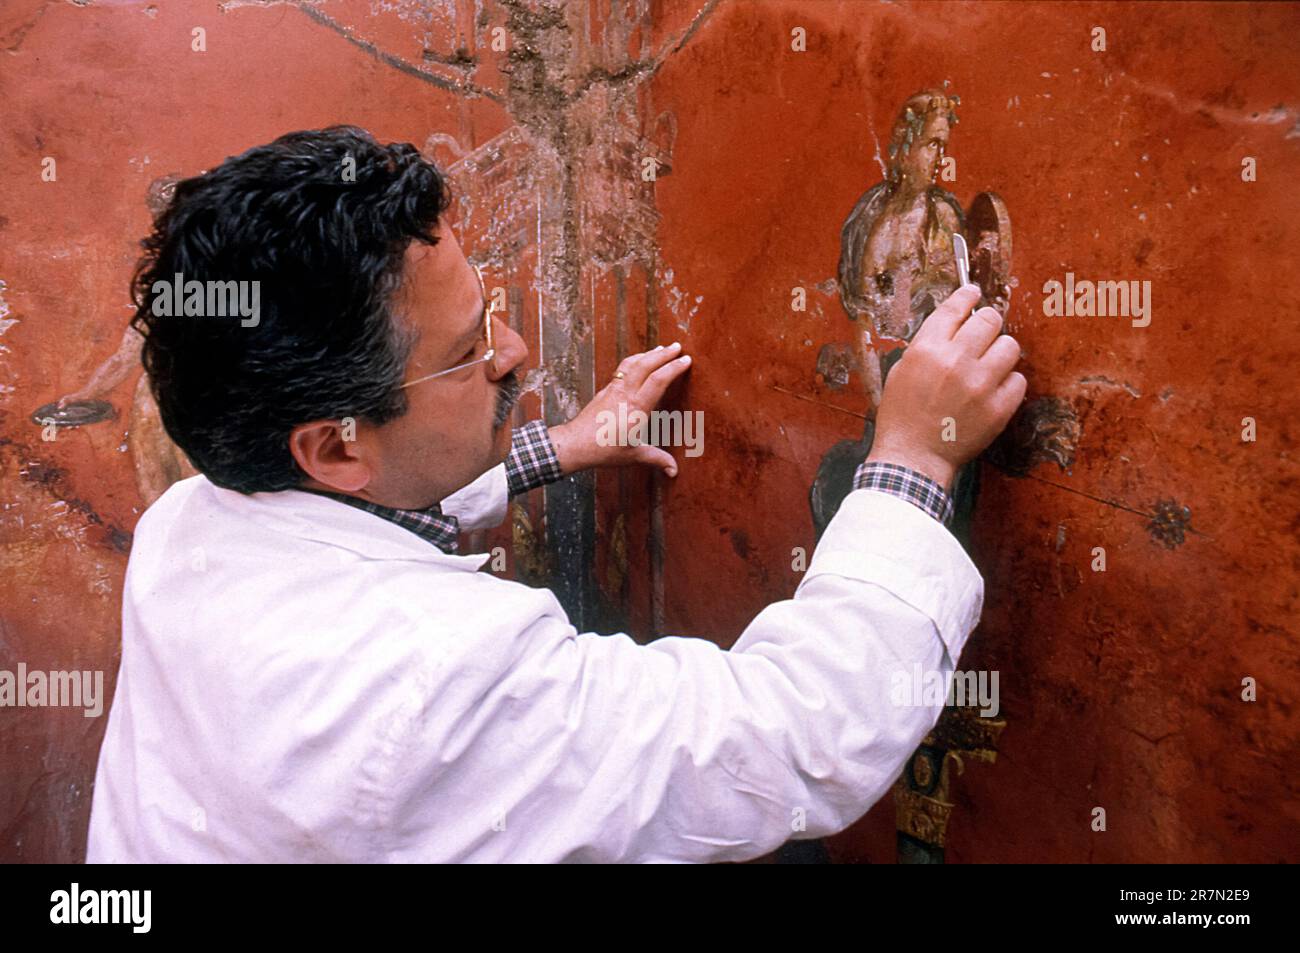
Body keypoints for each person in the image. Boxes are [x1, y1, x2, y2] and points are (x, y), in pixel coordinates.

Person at [85, 126, 1025, 863]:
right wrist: (913, 458)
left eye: (489, 309)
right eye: (468, 354)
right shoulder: (433, 684)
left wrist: (559, 448)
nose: (516, 352)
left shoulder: (190, 524)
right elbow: (790, 739)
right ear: (334, 444)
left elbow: (372, 526)